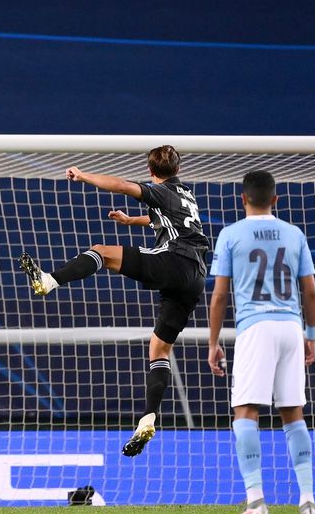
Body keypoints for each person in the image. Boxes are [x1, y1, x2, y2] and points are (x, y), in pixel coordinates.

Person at [20, 144, 209, 457]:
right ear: (178, 169)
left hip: (175, 259)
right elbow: (164, 219)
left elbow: (122, 185)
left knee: (102, 252)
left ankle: (48, 281)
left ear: (151, 171)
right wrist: (131, 221)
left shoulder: (159, 191)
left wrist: (83, 175)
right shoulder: (185, 194)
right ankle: (148, 418)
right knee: (159, 349)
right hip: (196, 276)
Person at [207, 170, 315, 514]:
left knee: (245, 412)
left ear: (243, 199)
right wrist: (311, 334)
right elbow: (310, 291)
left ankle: (256, 501)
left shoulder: (230, 234)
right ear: (275, 199)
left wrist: (213, 342)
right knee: (293, 414)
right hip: (290, 327)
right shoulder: (294, 233)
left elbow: (220, 295)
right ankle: (308, 502)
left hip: (255, 328)